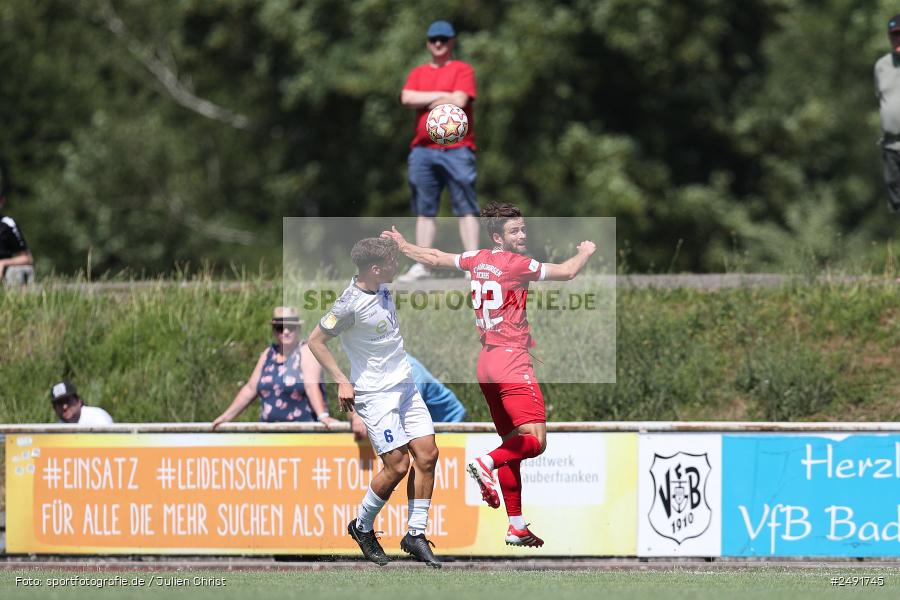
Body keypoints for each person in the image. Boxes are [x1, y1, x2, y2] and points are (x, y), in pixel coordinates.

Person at [382, 202, 596, 548]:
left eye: (523, 229)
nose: (522, 235)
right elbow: (569, 272)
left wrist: (405, 247)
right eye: (515, 231)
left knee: (514, 443)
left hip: (486, 363)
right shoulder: (518, 264)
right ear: (498, 236)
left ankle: (516, 525)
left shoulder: (476, 259)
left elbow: (436, 258)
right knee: (535, 442)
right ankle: (485, 463)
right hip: (511, 362)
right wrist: (585, 252)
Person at [307, 237, 441, 568]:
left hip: (405, 388)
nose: (398, 267)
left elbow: (386, 253)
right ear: (376, 269)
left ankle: (415, 534)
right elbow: (315, 341)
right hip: (375, 395)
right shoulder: (348, 304)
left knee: (427, 454)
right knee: (397, 465)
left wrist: (394, 241)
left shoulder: (381, 283)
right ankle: (362, 527)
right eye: (393, 262)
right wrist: (341, 379)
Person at [398, 20, 478, 282]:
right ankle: (423, 265)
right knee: (425, 208)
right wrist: (444, 94)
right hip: (422, 150)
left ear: (452, 41)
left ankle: (473, 263)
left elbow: (460, 100)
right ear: (428, 43)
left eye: (444, 39)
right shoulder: (419, 72)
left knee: (465, 206)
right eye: (434, 40)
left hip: (457, 148)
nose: (439, 44)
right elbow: (407, 97)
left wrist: (429, 98)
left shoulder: (462, 69)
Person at [213, 307, 338, 428]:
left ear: (298, 329)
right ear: (274, 330)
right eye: (280, 328)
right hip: (270, 434)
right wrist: (225, 418)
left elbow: (311, 386)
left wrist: (323, 416)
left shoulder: (306, 351)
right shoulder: (268, 354)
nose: (286, 331)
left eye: (290, 327)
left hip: (301, 434)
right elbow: (250, 389)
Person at [348, 354, 466, 440]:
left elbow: (404, 410)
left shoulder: (412, 370)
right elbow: (352, 400)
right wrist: (355, 416)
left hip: (449, 421)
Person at [876, 14, 900, 212]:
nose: (897, 40)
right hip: (891, 144)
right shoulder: (881, 66)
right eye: (894, 36)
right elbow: (881, 98)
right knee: (896, 199)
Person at [0, 170, 34, 285]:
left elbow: (27, 258)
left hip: (3, 275)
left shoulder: (7, 225)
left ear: (2, 201)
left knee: (16, 273)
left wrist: (3, 263)